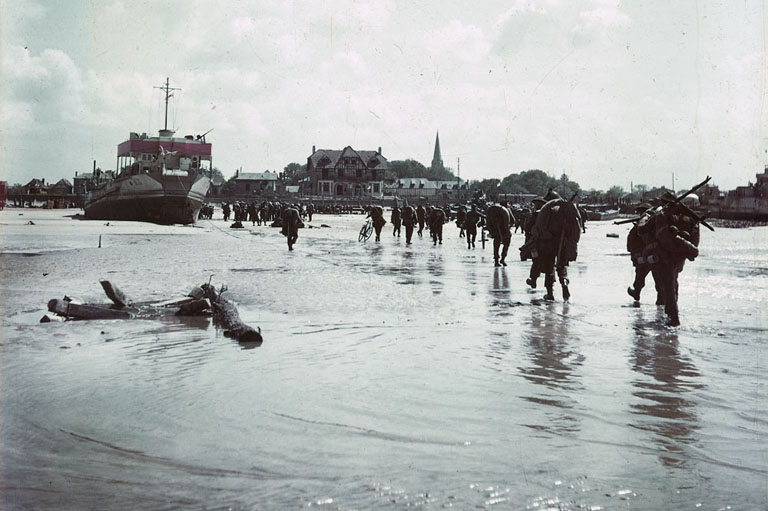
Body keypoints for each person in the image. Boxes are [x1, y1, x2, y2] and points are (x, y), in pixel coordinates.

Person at [635, 195, 701, 326]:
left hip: (663, 253)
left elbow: (642, 229)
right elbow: (695, 240)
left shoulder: (659, 214)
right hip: (680, 254)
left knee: (668, 284)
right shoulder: (689, 217)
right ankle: (670, 312)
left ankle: (673, 316)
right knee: (672, 281)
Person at [532, 191, 582, 300]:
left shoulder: (547, 208)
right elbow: (577, 229)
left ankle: (550, 293)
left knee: (549, 267)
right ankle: (564, 285)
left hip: (548, 243)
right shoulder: (568, 209)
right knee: (562, 266)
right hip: (563, 242)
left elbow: (539, 228)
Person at [626, 203, 655, 301]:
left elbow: (631, 241)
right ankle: (661, 300)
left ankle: (636, 293)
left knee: (640, 276)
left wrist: (634, 254)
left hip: (643, 255)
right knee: (659, 278)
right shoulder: (654, 223)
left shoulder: (640, 225)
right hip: (654, 255)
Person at [520, 197, 546, 287]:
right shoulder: (549, 214)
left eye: (535, 204)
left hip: (536, 244)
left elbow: (527, 228)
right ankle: (550, 288)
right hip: (549, 243)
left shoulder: (536, 214)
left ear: (539, 204)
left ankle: (533, 280)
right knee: (550, 263)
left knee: (535, 261)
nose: (534, 206)